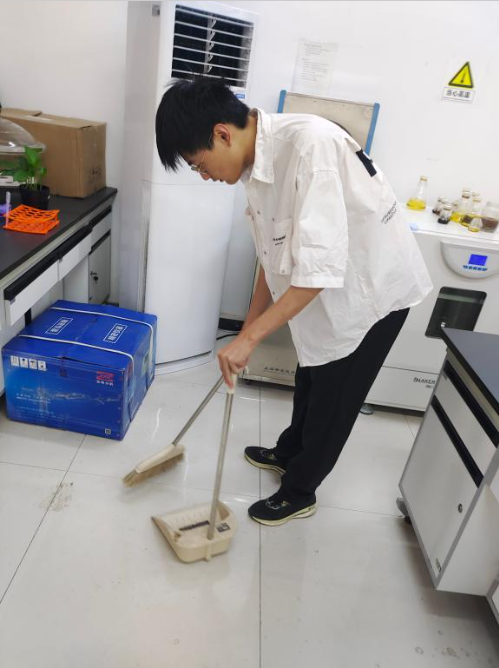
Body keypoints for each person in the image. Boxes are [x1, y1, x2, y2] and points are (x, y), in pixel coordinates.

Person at [155, 78, 433, 527]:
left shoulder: (309, 148)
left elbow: (319, 272)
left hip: (371, 294)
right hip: (326, 289)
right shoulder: (255, 164)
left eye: (200, 165)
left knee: (333, 398)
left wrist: (250, 340)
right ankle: (288, 452)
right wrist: (249, 330)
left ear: (222, 134)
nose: (205, 176)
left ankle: (300, 490)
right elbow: (272, 257)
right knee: (311, 374)